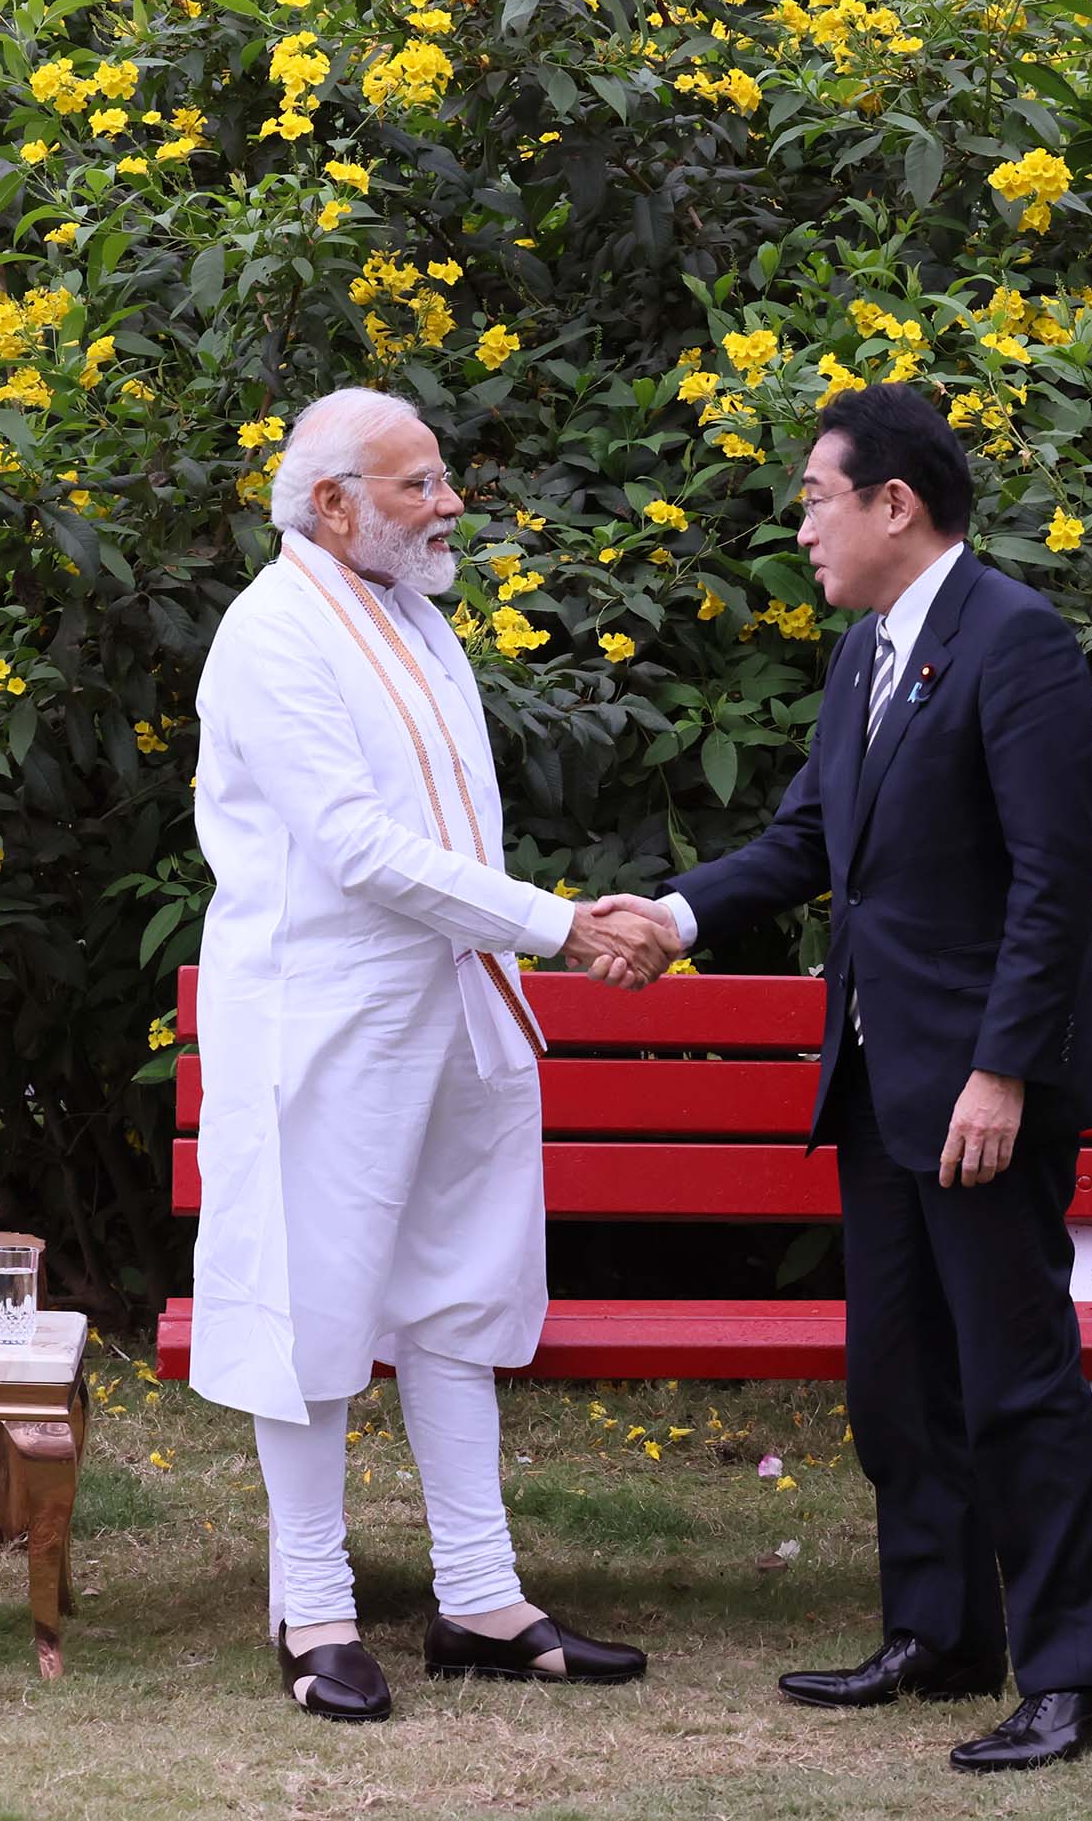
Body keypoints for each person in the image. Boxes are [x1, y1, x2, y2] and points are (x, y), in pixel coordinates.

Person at [590, 384, 1092, 1773]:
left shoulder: (1016, 640)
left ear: (893, 504)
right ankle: (941, 1633)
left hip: (980, 1091)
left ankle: (1078, 1681)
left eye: (813, 500)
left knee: (1017, 1379)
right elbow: (808, 841)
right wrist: (676, 916)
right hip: (878, 1079)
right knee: (897, 1379)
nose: (800, 530)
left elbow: (1052, 882)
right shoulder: (865, 655)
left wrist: (1002, 1072)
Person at [187, 387, 675, 1721]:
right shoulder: (271, 631)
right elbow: (355, 848)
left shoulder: (416, 614)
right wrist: (559, 927)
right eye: (420, 485)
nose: (449, 503)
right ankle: (315, 1612)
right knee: (313, 1308)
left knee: (460, 1295)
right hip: (325, 1022)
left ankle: (480, 1597)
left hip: (457, 1007)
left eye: (443, 477)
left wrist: (532, 935)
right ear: (332, 504)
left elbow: (447, 834)